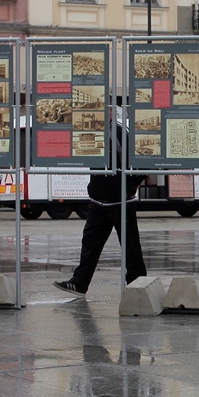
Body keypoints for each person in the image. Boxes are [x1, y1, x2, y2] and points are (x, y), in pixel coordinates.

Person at [54, 115, 147, 297]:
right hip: (98, 201)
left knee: (130, 246)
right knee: (89, 244)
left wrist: (132, 183)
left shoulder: (121, 131)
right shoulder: (90, 131)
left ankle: (138, 283)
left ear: (110, 109)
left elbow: (142, 158)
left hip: (121, 202)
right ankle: (79, 283)